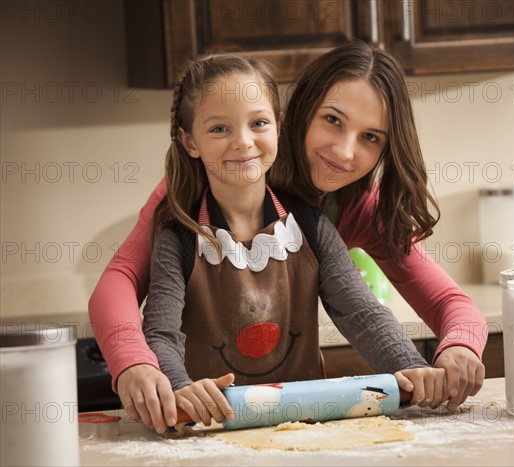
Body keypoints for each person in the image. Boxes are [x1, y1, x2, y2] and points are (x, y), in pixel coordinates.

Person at [89, 42, 486, 433]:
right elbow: (122, 282)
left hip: (293, 417)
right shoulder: (194, 195)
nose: (345, 152)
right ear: (296, 115)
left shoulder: (350, 212)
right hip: (208, 420)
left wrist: (456, 350)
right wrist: (135, 363)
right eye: (333, 119)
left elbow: (420, 306)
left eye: (370, 137)